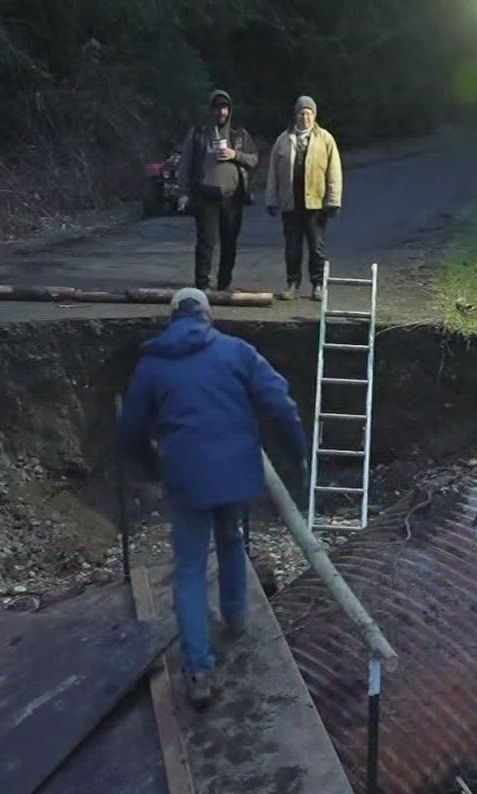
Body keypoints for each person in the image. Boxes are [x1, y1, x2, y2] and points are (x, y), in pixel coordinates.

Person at [116, 288, 308, 710]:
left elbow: (130, 430)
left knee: (188, 568)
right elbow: (279, 402)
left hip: (187, 479)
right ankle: (237, 619)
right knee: (233, 540)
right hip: (236, 473)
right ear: (208, 316)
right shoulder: (237, 352)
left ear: (172, 319)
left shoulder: (152, 365)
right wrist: (296, 452)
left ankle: (198, 667)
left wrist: (153, 466)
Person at [175, 89, 259, 292]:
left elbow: (254, 159)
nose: (221, 112)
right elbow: (185, 162)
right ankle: (202, 284)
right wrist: (183, 192)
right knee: (206, 242)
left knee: (229, 242)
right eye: (217, 107)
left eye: (225, 107)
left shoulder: (239, 133)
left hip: (232, 196)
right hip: (205, 194)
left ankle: (224, 284)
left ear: (230, 110)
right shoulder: (199, 132)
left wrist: (235, 154)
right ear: (211, 109)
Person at [266, 95, 343, 301]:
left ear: (314, 115)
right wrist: (271, 199)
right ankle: (293, 284)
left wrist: (333, 200)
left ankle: (318, 285)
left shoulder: (325, 139)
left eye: (309, 113)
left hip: (315, 204)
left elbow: (334, 172)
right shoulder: (283, 139)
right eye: (302, 113)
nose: (305, 117)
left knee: (316, 247)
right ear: (296, 115)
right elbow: (273, 172)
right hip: (290, 203)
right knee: (292, 246)